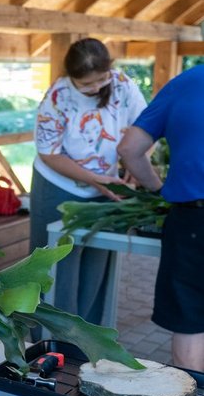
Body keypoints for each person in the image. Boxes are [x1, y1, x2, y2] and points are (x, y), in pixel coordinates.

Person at [29, 38, 147, 325]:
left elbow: (145, 127)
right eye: (86, 85)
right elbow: (50, 154)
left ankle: (88, 339)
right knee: (58, 265)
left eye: (101, 80)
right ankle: (53, 342)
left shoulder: (122, 84)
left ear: (111, 70)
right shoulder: (57, 97)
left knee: (97, 262)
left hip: (106, 186)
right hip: (60, 186)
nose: (95, 88)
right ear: (71, 77)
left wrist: (136, 162)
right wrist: (94, 179)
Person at [118, 65, 204, 372]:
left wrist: (157, 188)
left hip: (194, 222)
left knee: (190, 324)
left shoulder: (185, 84)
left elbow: (129, 149)